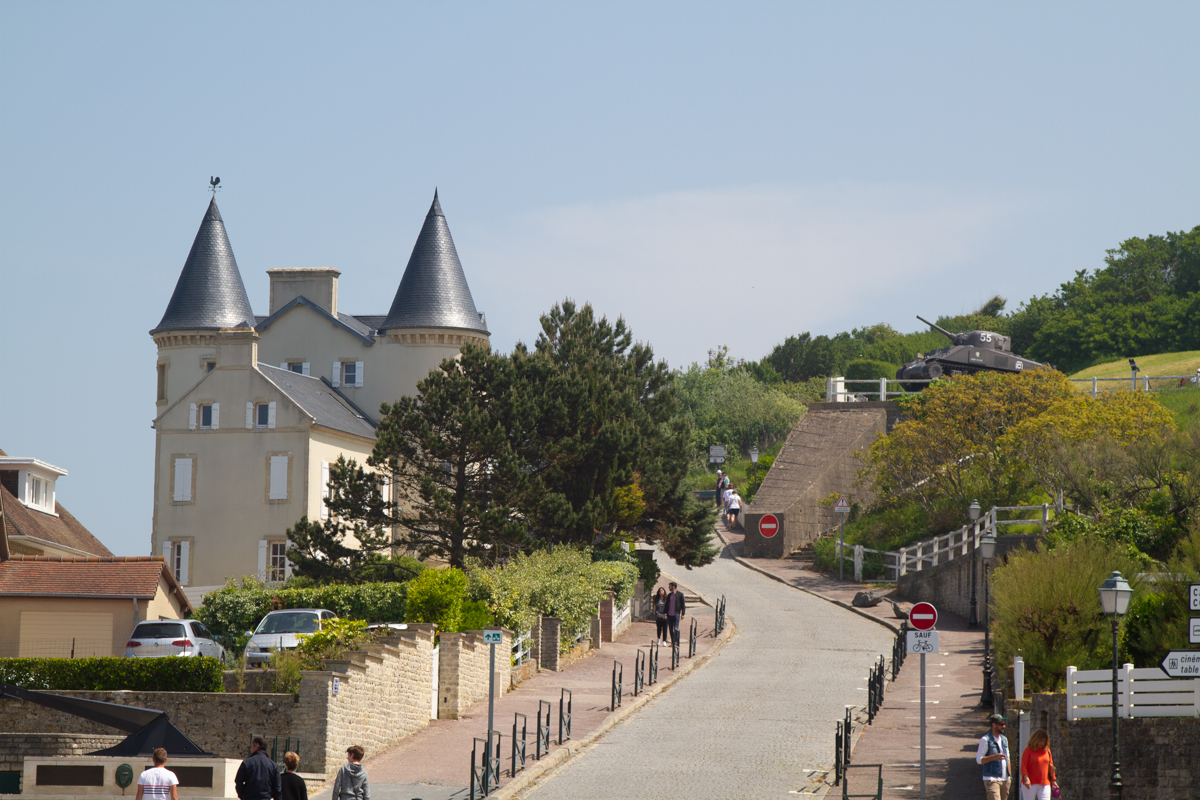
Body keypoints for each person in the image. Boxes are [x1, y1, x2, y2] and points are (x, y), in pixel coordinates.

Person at [975, 713, 1011, 800]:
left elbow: (1008, 758)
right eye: (1001, 724)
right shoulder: (985, 740)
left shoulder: (1004, 739)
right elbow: (979, 760)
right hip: (992, 779)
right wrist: (994, 756)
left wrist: (1010, 777)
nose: (1003, 726)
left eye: (1004, 724)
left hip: (1005, 779)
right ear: (993, 725)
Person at [1020, 729, 1057, 800]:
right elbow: (1023, 766)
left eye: (1044, 741)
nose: (1042, 743)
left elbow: (1051, 765)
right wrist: (1026, 778)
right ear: (1035, 739)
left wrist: (1053, 780)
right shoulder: (1028, 750)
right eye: (1040, 741)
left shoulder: (1047, 750)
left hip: (1045, 782)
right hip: (1030, 782)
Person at [665, 581, 686, 646]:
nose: (669, 587)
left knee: (676, 628)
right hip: (669, 614)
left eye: (670, 586)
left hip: (676, 614)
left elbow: (683, 605)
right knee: (671, 629)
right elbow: (666, 605)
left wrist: (683, 614)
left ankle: (676, 641)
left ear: (673, 587)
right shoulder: (669, 595)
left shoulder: (680, 594)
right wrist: (664, 613)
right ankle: (672, 642)